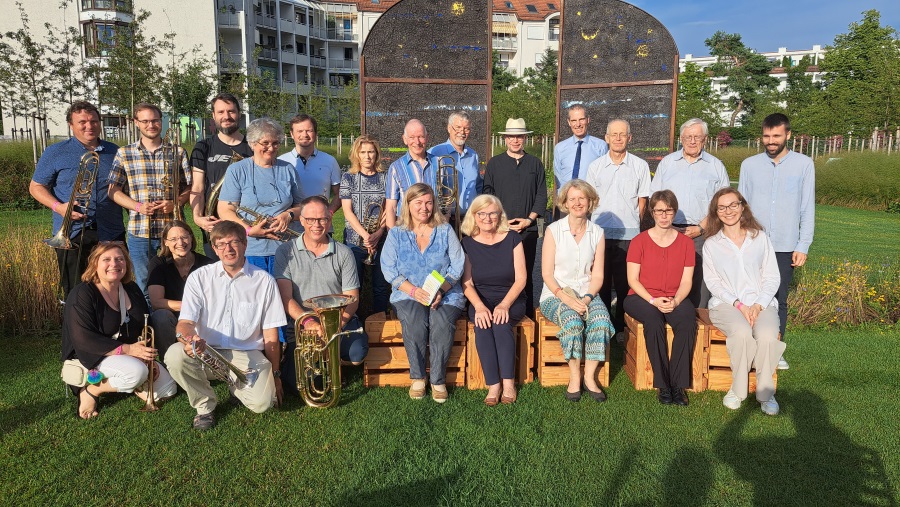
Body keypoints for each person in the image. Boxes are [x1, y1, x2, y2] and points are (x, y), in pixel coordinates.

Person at [165, 221, 286, 431]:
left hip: (246, 354)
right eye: (221, 244)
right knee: (175, 355)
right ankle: (205, 406)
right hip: (207, 351)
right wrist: (189, 339)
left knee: (262, 404)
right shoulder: (199, 278)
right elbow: (185, 323)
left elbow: (271, 336)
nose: (228, 249)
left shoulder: (264, 281)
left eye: (234, 242)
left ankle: (235, 387)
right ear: (214, 248)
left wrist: (275, 375)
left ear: (245, 244)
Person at [62, 242, 177, 419]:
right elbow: (83, 339)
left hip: (127, 353)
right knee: (137, 373)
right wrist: (129, 350)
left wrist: (146, 357)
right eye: (106, 259)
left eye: (119, 259)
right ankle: (92, 390)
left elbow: (144, 326)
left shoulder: (131, 288)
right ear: (95, 264)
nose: (114, 264)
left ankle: (132, 380)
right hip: (95, 354)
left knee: (168, 390)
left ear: (126, 263)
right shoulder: (82, 293)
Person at [738, 113, 814, 371]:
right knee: (747, 295)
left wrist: (802, 245)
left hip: (785, 245)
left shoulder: (804, 165)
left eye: (776, 136)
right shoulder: (749, 165)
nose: (771, 141)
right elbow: (741, 206)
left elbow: (807, 208)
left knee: (778, 299)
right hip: (753, 242)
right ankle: (748, 347)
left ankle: (775, 350)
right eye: (767, 136)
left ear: (788, 135)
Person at [275, 196, 369, 397]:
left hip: (339, 322)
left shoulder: (344, 253)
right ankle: (323, 363)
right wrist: (308, 322)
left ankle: (336, 363)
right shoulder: (285, 251)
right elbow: (285, 298)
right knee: (297, 385)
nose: (316, 225)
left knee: (357, 354)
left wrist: (333, 328)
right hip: (304, 324)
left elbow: (352, 298)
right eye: (311, 219)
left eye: (322, 219)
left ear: (330, 219)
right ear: (301, 220)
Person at [30, 100, 125, 299]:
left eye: (94, 121)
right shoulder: (55, 152)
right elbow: (36, 187)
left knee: (113, 290)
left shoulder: (115, 151)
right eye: (82, 122)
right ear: (71, 125)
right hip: (72, 233)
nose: (89, 126)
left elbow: (124, 188)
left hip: (110, 230)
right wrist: (58, 207)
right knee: (75, 293)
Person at [703, 188, 785, 415]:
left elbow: (772, 277)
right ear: (716, 212)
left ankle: (766, 394)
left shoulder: (760, 238)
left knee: (767, 336)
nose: (728, 211)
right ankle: (737, 390)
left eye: (733, 205)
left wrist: (758, 305)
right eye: (722, 207)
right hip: (726, 305)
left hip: (761, 303)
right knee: (741, 333)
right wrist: (739, 304)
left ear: (742, 206)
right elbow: (713, 283)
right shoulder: (711, 244)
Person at [380, 183, 465, 403]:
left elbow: (457, 265)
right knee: (414, 319)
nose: (424, 208)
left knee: (441, 320)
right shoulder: (397, 233)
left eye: (428, 202)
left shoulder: (445, 230)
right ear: (408, 205)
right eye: (418, 202)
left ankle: (437, 379)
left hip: (445, 292)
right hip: (407, 293)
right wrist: (413, 290)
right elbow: (388, 269)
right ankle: (418, 377)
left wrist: (442, 290)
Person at [539, 180, 615, 402]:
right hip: (555, 294)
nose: (577, 203)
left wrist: (588, 298)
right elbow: (547, 274)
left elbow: (598, 276)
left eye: (582, 198)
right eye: (572, 199)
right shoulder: (554, 230)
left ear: (590, 202)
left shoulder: (597, 232)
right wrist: (566, 298)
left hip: (587, 292)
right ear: (565, 203)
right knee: (572, 323)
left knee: (601, 321)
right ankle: (574, 376)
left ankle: (589, 377)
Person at [108, 102, 191, 295]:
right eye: (145, 121)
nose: (151, 125)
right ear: (136, 122)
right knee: (144, 284)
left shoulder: (178, 152)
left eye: (155, 120)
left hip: (173, 231)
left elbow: (189, 187)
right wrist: (137, 206)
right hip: (140, 231)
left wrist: (176, 203)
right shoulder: (124, 153)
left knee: (178, 282)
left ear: (161, 121)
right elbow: (113, 191)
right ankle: (148, 316)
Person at [623, 190, 696, 406]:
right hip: (641, 297)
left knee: (687, 321)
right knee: (653, 320)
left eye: (669, 211)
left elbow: (686, 281)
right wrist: (653, 301)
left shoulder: (686, 243)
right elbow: (632, 280)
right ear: (652, 212)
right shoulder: (639, 241)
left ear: (674, 212)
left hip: (675, 296)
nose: (664, 216)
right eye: (659, 211)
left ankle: (678, 385)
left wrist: (676, 301)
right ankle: (663, 384)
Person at [651, 118, 730, 308]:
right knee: (668, 279)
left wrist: (700, 228)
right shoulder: (667, 163)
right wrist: (668, 225)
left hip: (703, 234)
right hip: (669, 232)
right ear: (681, 138)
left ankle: (698, 318)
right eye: (688, 137)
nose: (692, 141)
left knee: (700, 283)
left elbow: (723, 204)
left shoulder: (716, 166)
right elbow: (655, 198)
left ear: (705, 139)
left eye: (697, 137)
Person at [585, 118, 650, 339]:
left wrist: (634, 224)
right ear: (607, 138)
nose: (618, 138)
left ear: (630, 137)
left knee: (625, 284)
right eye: (614, 134)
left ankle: (622, 328)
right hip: (600, 233)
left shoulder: (640, 166)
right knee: (601, 282)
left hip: (628, 235)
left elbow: (642, 201)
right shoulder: (595, 167)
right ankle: (603, 326)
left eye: (623, 134)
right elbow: (589, 201)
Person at [460, 195, 526, 405]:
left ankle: (508, 383)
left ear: (500, 215)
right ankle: (493, 385)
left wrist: (505, 304)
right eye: (481, 213)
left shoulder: (513, 238)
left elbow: (521, 279)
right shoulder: (467, 243)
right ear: (474, 216)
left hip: (511, 297)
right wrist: (479, 306)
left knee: (500, 323)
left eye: (492, 213)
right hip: (480, 298)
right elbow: (467, 283)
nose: (487, 218)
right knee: (482, 324)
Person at [217, 117, 303, 273]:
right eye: (265, 143)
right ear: (252, 143)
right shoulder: (237, 170)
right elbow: (225, 209)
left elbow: (302, 206)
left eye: (275, 143)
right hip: (250, 249)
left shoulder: (288, 169)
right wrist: (248, 230)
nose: (271, 148)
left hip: (287, 249)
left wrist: (288, 215)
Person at [483, 118, 548, 315]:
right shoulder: (494, 164)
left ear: (524, 138)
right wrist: (501, 221)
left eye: (519, 136)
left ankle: (526, 315)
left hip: (528, 230)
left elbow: (541, 195)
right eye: (511, 137)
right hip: (500, 229)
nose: (515, 140)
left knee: (525, 273)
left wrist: (529, 220)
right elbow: (488, 194)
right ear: (505, 139)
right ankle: (499, 311)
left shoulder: (535, 164)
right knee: (501, 274)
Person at [189, 92, 254, 258]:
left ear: (239, 114)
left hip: (246, 225)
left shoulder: (253, 147)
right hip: (215, 225)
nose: (226, 116)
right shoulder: (203, 147)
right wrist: (197, 217)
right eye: (221, 112)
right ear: (213, 115)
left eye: (231, 111)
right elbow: (197, 187)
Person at [340, 134, 390, 316]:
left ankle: (380, 320)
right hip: (355, 240)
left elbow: (388, 209)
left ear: (377, 154)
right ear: (356, 154)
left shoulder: (385, 177)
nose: (367, 156)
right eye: (363, 152)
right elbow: (347, 211)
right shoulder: (348, 177)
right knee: (354, 286)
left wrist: (379, 232)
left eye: (371, 152)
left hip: (381, 239)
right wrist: (366, 235)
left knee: (381, 286)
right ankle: (354, 321)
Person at [147, 220, 214, 357]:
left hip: (200, 317)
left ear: (191, 238)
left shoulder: (207, 265)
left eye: (184, 237)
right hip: (172, 317)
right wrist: (190, 306)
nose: (180, 242)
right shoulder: (159, 264)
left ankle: (205, 356)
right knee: (161, 316)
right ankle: (168, 360)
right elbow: (156, 302)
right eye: (173, 239)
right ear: (165, 242)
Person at [278, 114, 342, 217]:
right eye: (299, 131)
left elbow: (340, 193)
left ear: (316, 133)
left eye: (309, 131)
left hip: (320, 224)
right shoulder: (281, 162)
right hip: (290, 224)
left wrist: (328, 213)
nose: (304, 135)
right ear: (291, 134)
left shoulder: (329, 161)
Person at [428, 111, 483, 221]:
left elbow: (478, 186)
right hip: (444, 219)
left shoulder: (473, 155)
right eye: (458, 127)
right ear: (449, 128)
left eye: (466, 129)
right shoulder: (434, 153)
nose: (462, 132)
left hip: (471, 219)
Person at [385, 119, 438, 228]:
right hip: (406, 229)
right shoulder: (396, 168)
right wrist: (392, 235)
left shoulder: (439, 163)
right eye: (412, 137)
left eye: (421, 137)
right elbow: (391, 208)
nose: (417, 142)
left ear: (427, 138)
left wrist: (443, 224)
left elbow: (446, 200)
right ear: (405, 139)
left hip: (434, 228)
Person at [553, 104, 609, 189]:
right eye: (574, 120)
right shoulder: (559, 148)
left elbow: (604, 176)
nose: (578, 124)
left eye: (581, 119)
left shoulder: (600, 146)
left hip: (590, 195)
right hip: (566, 196)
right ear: (569, 122)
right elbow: (558, 177)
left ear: (588, 120)